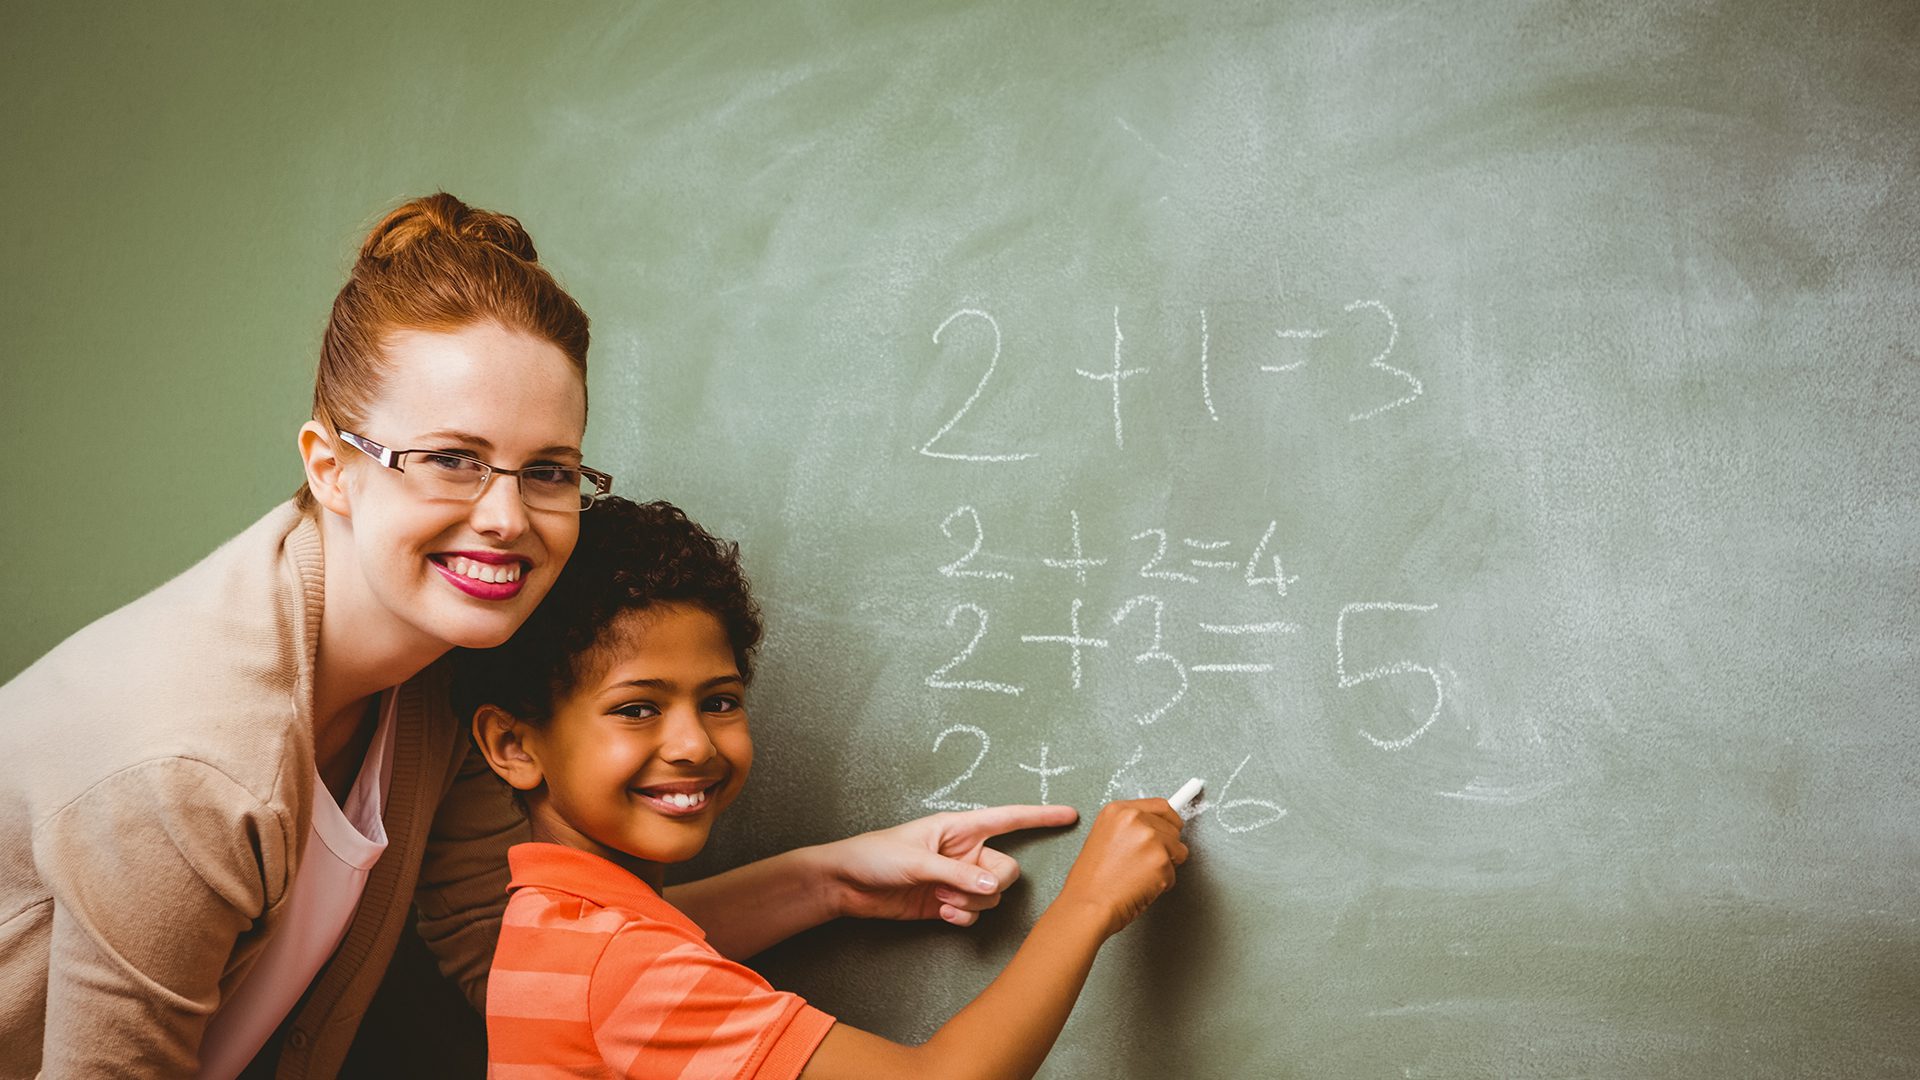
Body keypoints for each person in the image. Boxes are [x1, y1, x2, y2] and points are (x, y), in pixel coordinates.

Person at [0, 193, 1071, 1079]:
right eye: (451, 459)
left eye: (548, 470)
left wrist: (830, 879)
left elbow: (505, 946)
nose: (507, 517)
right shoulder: (188, 765)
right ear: (331, 467)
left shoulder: (430, 672)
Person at [464, 497, 1191, 1079]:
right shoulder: (623, 972)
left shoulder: (555, 926)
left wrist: (832, 882)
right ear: (514, 745)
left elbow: (660, 934)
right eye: (637, 708)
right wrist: (1088, 905)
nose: (693, 744)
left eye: (719, 700)